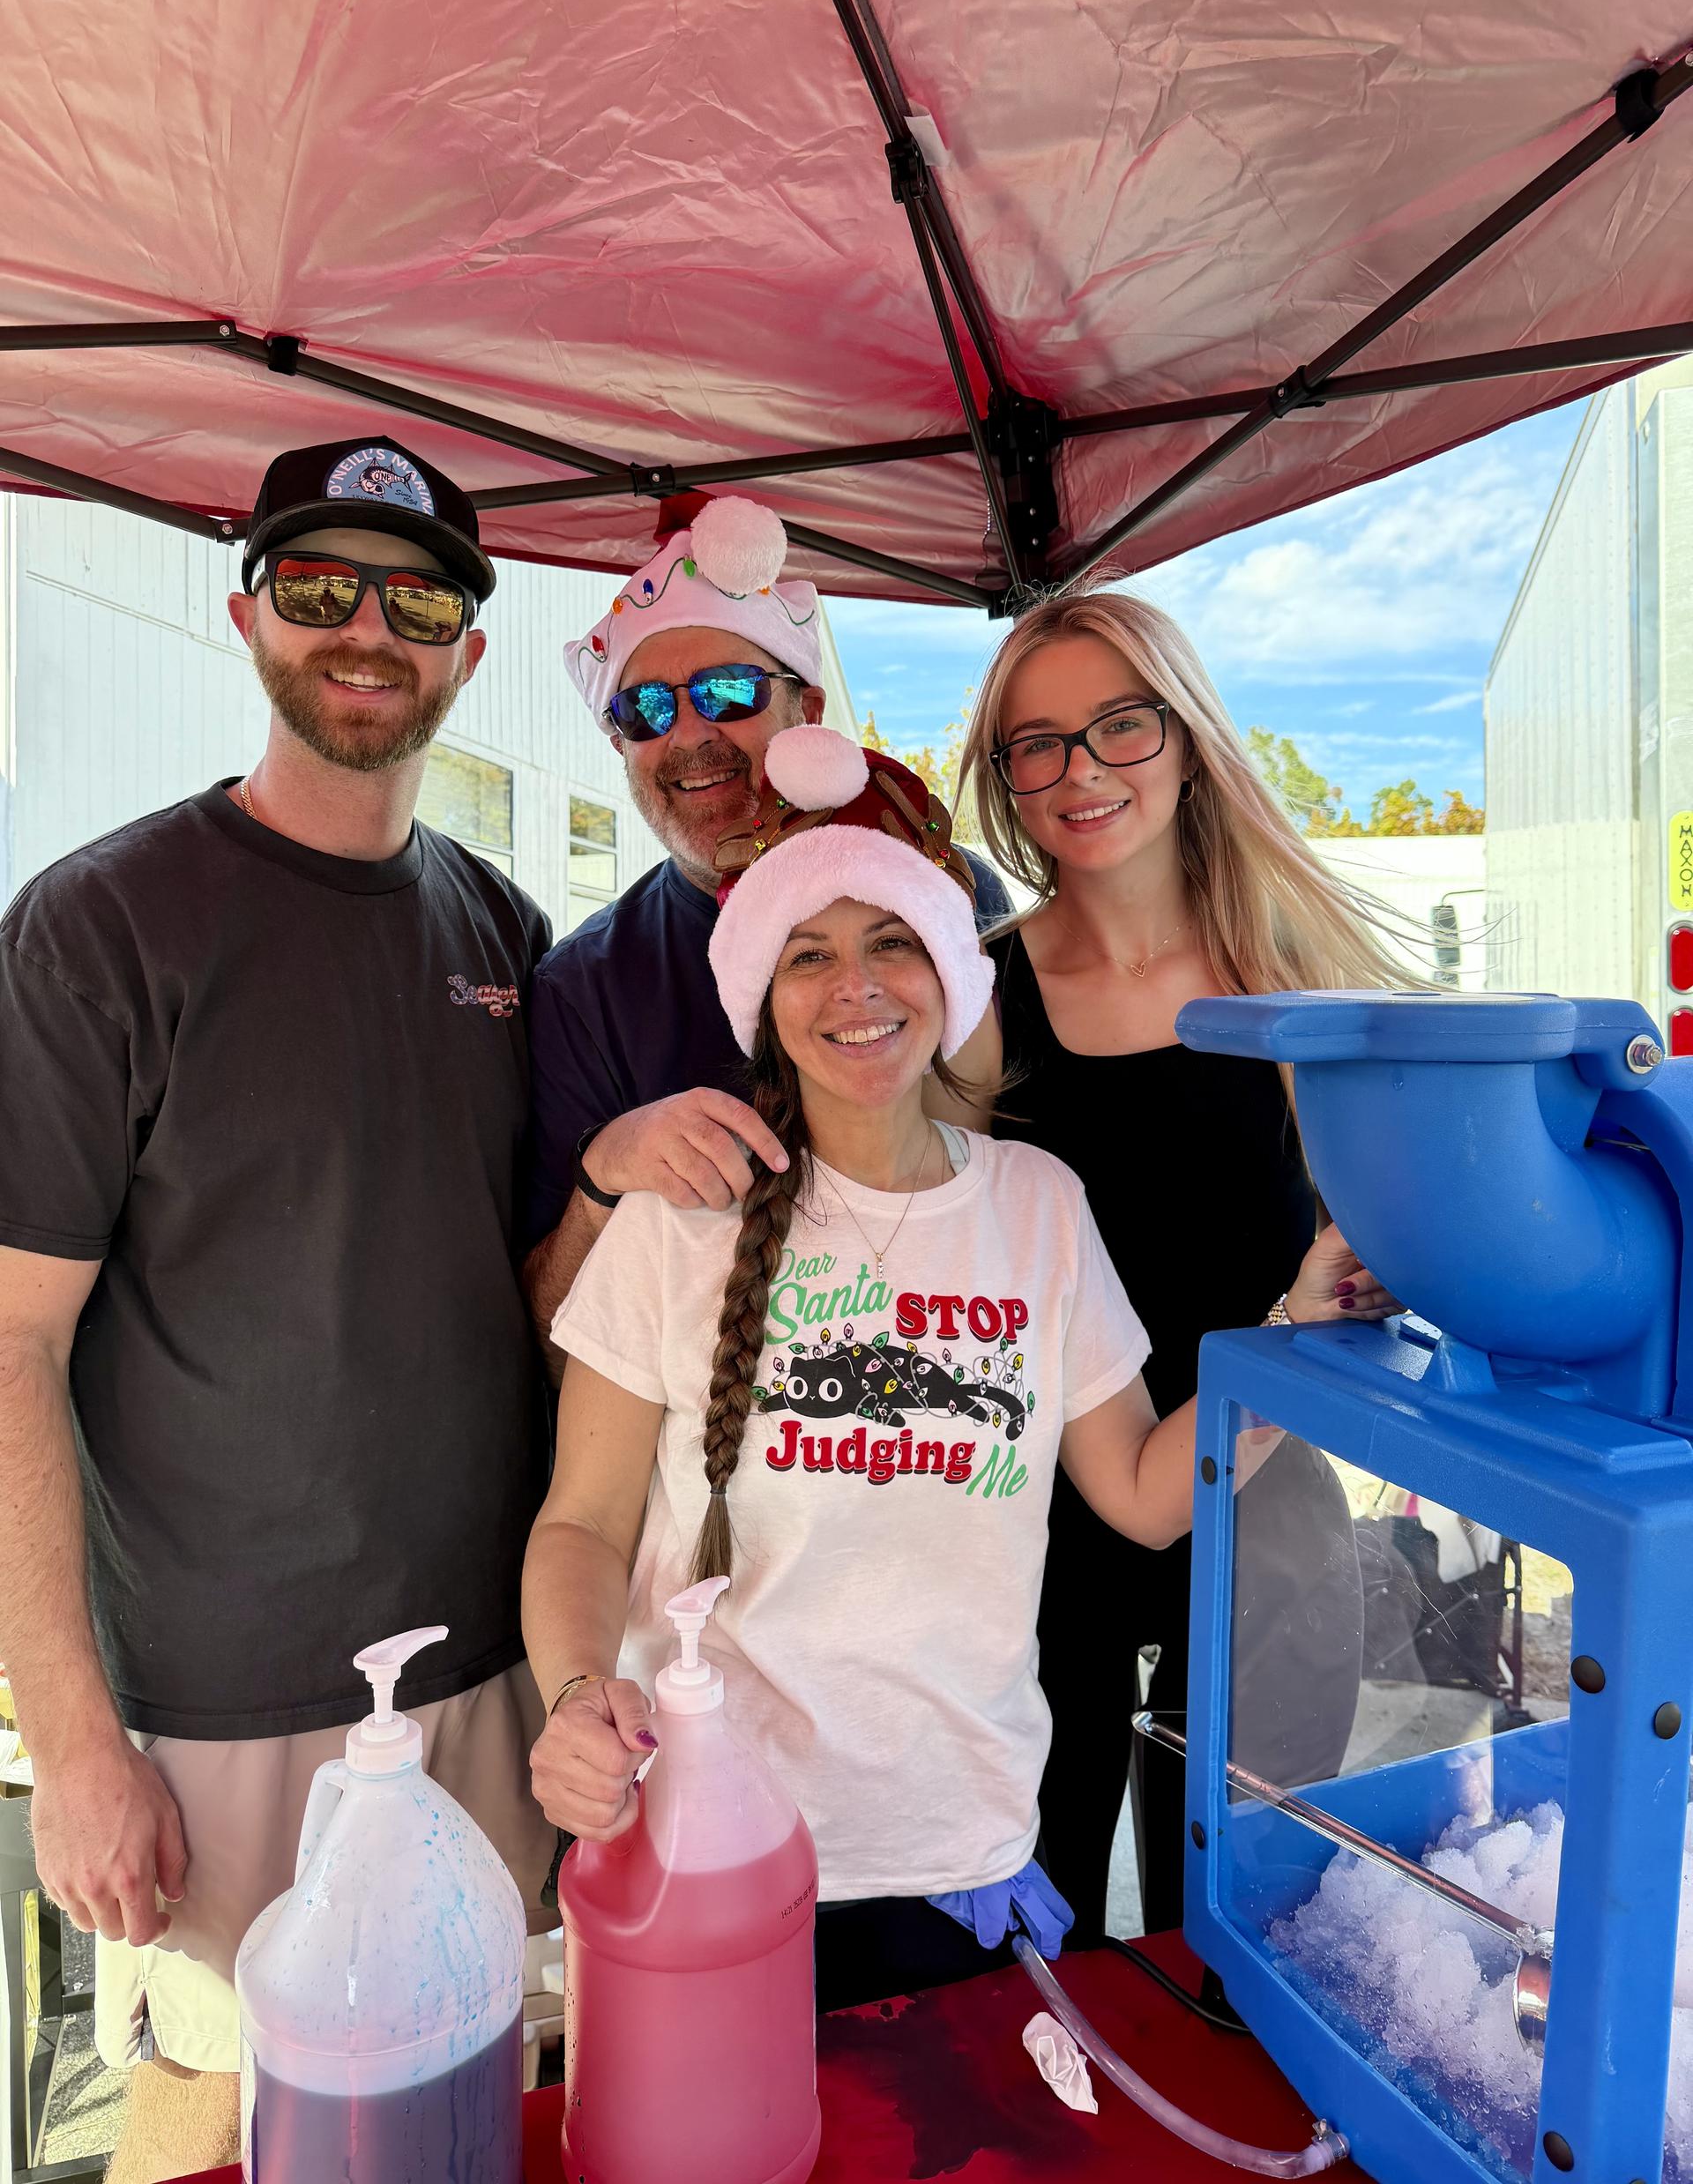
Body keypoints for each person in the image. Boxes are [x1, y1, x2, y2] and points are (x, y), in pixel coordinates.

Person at [521, 723, 1388, 2011]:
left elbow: (1145, 1496)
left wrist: (1293, 1333)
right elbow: (582, 1526)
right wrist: (579, 1700)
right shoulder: (681, 1215)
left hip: (955, 1856)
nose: (855, 986)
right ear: (762, 996)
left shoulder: (1036, 1203)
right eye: (808, 954)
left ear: (950, 971)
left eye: (892, 942)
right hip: (705, 1843)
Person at [0, 437, 557, 2182]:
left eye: (417, 601)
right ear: (247, 617)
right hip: (213, 1702)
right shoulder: (99, 927)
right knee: (218, 2120)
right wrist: (71, 1740)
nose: (366, 629)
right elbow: (11, 1342)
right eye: (319, 586)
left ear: (470, 650)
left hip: (487, 1677)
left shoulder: (508, 933)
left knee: (469, 2108)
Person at [954, 589, 1417, 1944]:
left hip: (1265, 1519)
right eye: (1038, 743)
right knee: (1026, 1948)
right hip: (1033, 1539)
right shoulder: (976, 1000)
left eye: (1120, 725)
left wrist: (1381, 1270)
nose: (1081, 770)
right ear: (1004, 775)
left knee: (1243, 1942)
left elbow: (1403, 1228)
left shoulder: (1296, 978)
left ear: (1187, 734)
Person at [521, 493, 1007, 1366]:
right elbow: (552, 1346)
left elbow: (1023, 1187)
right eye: (645, 710)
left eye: (729, 691)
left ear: (807, 709)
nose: (690, 734)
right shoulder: (583, 987)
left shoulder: (947, 897)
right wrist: (603, 1178)